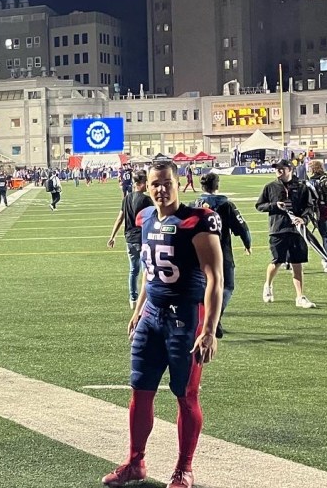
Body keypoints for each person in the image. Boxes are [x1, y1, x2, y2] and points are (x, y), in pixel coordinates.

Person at [101, 160, 223, 488]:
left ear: (178, 183)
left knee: (186, 395)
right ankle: (135, 462)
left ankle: (184, 468)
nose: (161, 189)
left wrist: (209, 330)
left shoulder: (197, 221)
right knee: (140, 392)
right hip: (151, 316)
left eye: (167, 182)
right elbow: (148, 270)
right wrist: (139, 309)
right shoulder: (144, 217)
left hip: (186, 318)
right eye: (155, 183)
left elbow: (215, 277)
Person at [194, 173, 252, 337]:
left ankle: (205, 320)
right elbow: (242, 227)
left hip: (199, 253)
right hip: (222, 251)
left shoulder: (194, 205)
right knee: (227, 286)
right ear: (217, 185)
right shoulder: (226, 205)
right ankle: (215, 317)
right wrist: (247, 243)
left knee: (205, 287)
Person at [255, 159, 317, 308]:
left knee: (297, 263)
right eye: (276, 168)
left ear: (290, 169)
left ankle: (300, 296)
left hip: (296, 230)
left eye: (281, 168)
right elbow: (259, 205)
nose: (278, 170)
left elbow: (309, 207)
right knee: (277, 261)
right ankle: (268, 285)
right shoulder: (270, 187)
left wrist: (303, 219)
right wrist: (274, 205)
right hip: (278, 229)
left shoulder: (302, 187)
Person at [107, 169, 155, 309]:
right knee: (147, 271)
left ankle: (133, 299)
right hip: (142, 239)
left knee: (133, 270)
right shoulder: (146, 200)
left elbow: (120, 218)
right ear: (142, 183)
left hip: (129, 239)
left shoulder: (127, 198)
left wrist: (112, 236)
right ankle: (147, 300)